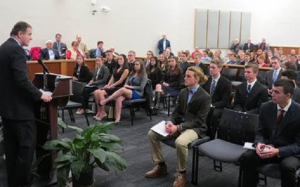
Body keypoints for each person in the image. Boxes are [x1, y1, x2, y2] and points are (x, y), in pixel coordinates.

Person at [0, 21, 52, 187]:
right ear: (19, 34)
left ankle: (13, 183)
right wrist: (40, 95)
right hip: (20, 111)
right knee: (26, 148)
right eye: (29, 34)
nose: (31, 37)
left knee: (12, 149)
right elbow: (21, 80)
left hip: (7, 109)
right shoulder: (17, 50)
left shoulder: (3, 47)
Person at [145, 66, 211, 187]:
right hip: (179, 125)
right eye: (185, 75)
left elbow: (199, 121)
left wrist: (179, 127)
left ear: (196, 79)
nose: (184, 78)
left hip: (195, 128)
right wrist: (170, 122)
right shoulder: (183, 92)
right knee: (152, 133)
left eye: (188, 76)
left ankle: (181, 173)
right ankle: (160, 165)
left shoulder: (205, 96)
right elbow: (176, 113)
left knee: (180, 142)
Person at [241, 79, 300, 187]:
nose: (272, 94)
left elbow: (298, 145)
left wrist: (277, 151)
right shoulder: (266, 107)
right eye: (272, 91)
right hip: (269, 147)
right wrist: (259, 143)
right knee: (248, 157)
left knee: (287, 166)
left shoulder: (298, 112)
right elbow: (260, 132)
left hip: (290, 151)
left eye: (276, 92)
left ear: (288, 95)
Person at [93, 54, 129, 121]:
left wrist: (111, 86)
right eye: (118, 59)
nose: (119, 60)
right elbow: (112, 78)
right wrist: (108, 85)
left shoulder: (126, 70)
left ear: (125, 60)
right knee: (96, 92)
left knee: (100, 93)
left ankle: (103, 112)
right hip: (113, 87)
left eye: (121, 59)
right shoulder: (116, 68)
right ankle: (99, 111)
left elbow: (120, 81)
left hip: (119, 88)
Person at [202, 59, 232, 138]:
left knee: (213, 114)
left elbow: (225, 101)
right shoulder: (207, 80)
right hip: (208, 104)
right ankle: (201, 133)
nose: (210, 69)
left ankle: (210, 136)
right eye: (210, 67)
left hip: (220, 106)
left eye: (213, 67)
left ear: (220, 69)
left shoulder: (226, 83)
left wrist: (211, 105)